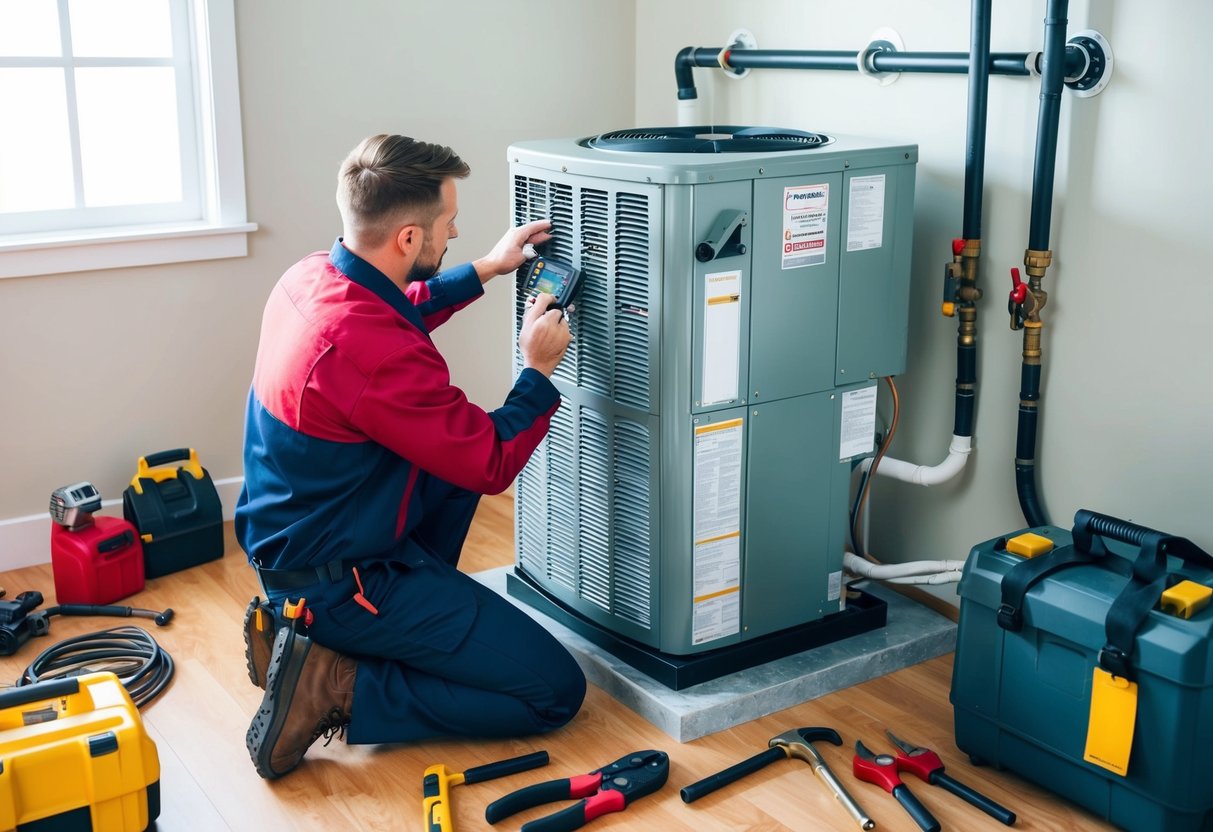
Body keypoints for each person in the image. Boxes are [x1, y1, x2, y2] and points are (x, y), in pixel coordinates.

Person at [234, 133, 586, 779]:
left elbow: (392, 315)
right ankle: (335, 682)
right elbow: (491, 461)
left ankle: (341, 634)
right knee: (555, 691)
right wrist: (538, 371)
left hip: (297, 541)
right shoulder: (372, 350)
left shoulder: (309, 277)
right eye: (448, 225)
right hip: (343, 579)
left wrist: (484, 268)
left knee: (446, 461)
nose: (452, 233)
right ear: (405, 239)